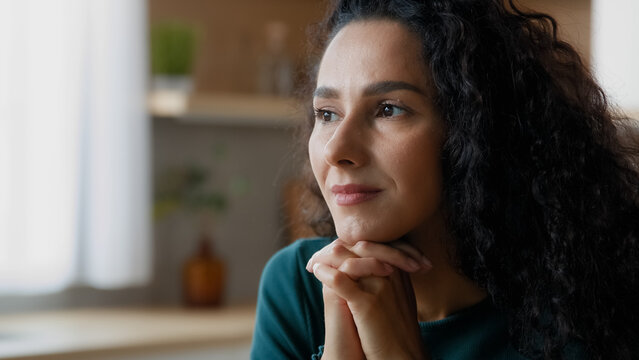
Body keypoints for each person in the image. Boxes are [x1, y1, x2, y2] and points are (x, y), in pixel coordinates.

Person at [251, 0, 639, 359]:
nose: (336, 149)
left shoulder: (579, 314)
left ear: (472, 130)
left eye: (388, 109)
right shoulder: (299, 285)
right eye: (327, 113)